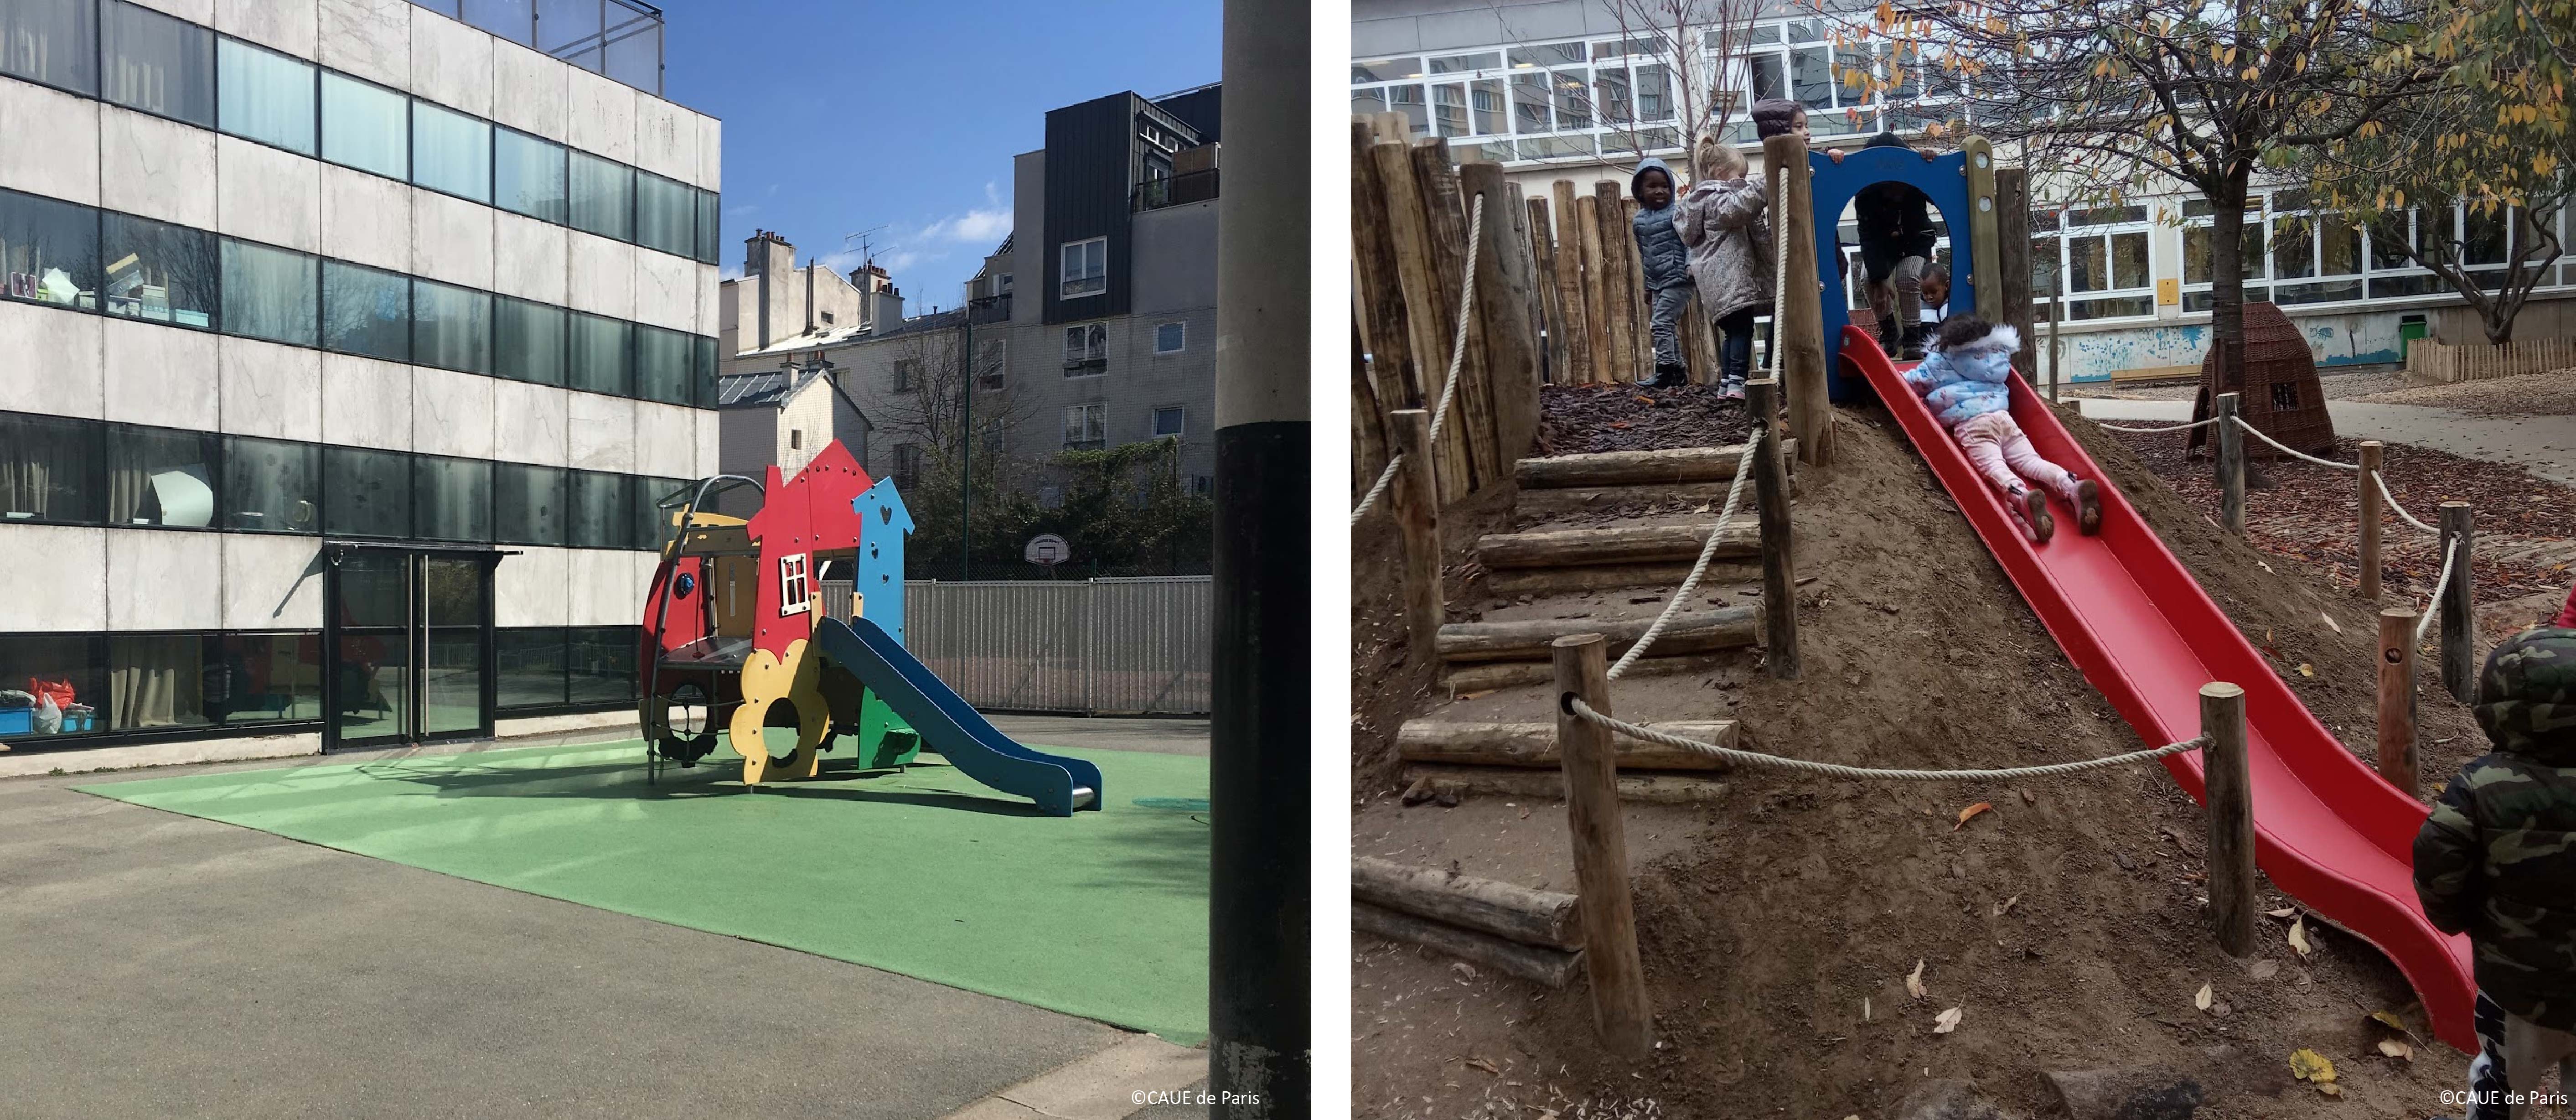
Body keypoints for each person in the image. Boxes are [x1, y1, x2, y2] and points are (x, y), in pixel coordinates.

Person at [2414, 622, 2576, 1120]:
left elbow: (2438, 857)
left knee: (2503, 1089)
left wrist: (2461, 919)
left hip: (2516, 989)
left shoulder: (2480, 786)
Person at [1903, 315, 2102, 542]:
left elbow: (1913, 381)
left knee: (1993, 465)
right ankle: (2071, 486)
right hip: (2004, 419)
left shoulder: (1942, 359)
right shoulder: (1996, 356)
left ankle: (2020, 495)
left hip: (1973, 425)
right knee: (2031, 461)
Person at [1676, 137, 1771, 399]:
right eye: (1740, 176)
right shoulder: (1715, 200)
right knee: (1742, 330)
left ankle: (1727, 382)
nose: (1744, 182)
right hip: (1730, 282)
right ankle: (1737, 384)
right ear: (1720, 174)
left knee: (1733, 332)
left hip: (1719, 286)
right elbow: (1738, 208)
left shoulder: (1702, 202)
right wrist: (1765, 182)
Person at [1854, 133, 1941, 360]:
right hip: (1884, 246)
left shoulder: (1914, 186)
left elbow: (1939, 190)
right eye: (1887, 187)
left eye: (1898, 185)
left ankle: (1914, 336)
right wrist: (1878, 279)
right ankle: (1889, 332)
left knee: (1909, 276)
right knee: (1867, 277)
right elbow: (1867, 236)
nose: (1895, 193)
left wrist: (1928, 161)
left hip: (1916, 240)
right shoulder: (1866, 196)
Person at [1629, 156, 1693, 388]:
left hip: (1678, 278)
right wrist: (1648, 286)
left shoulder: (1678, 213)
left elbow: (1689, 243)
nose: (1660, 191)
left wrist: (1689, 267)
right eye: (1652, 186)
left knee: (1661, 323)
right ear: (1640, 191)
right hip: (1657, 282)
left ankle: (1665, 371)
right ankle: (1677, 373)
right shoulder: (1639, 221)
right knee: (1666, 325)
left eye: (1665, 186)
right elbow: (1644, 254)